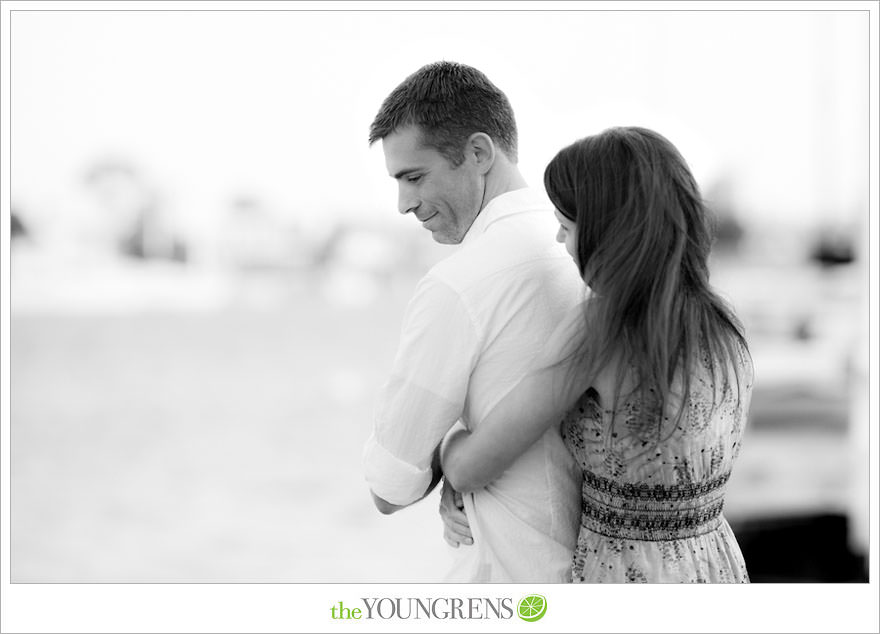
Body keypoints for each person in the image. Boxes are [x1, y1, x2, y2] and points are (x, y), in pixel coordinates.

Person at [441, 127, 754, 583]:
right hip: (714, 564)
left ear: (609, 232)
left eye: (567, 226)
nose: (559, 241)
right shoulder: (726, 326)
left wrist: (447, 443)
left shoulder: (599, 332)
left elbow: (470, 467)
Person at [361, 61, 586, 582]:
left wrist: (445, 446)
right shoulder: (588, 252)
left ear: (479, 153)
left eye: (414, 177)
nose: (404, 204)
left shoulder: (460, 285)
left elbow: (389, 489)